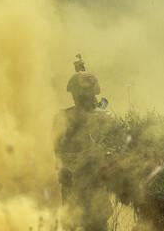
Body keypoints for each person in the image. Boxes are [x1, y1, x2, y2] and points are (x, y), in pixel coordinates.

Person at [53, 56, 113, 230]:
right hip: (84, 186)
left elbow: (57, 151)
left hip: (84, 187)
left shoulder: (62, 118)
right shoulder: (104, 118)